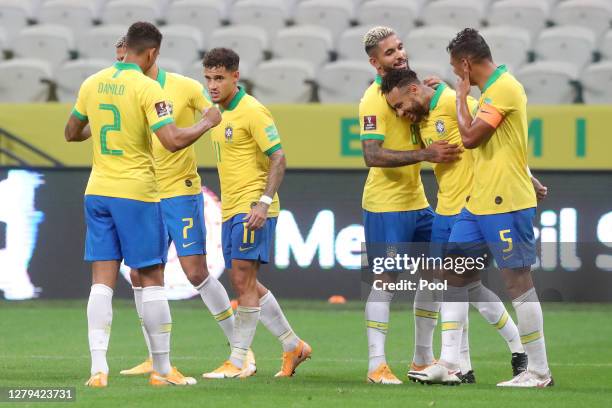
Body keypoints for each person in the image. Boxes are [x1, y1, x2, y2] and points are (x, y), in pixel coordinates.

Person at [64, 21, 221, 387]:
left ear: (127, 48)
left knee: (101, 283)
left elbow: (72, 132)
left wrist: (102, 123)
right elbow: (171, 140)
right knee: (151, 278)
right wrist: (206, 123)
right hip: (136, 193)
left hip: (97, 190)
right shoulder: (148, 88)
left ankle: (97, 369)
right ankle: (163, 370)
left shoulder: (92, 82)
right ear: (151, 53)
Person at [381, 68, 532, 384]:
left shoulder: (451, 101)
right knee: (463, 288)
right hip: (444, 211)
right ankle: (479, 361)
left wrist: (528, 176)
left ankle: (464, 363)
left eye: (399, 105)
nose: (400, 113)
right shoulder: (423, 116)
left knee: (458, 286)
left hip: (472, 209)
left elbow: (497, 137)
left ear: (413, 89)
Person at [109, 37, 247, 377]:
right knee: (140, 274)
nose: (122, 64)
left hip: (179, 191)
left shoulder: (183, 87)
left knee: (196, 271)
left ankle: (241, 352)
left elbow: (215, 113)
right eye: (117, 58)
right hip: (144, 193)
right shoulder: (125, 91)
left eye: (126, 57)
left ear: (148, 55)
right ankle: (154, 357)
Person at [425, 27, 552, 388]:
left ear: (466, 65)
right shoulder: (492, 93)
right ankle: (451, 363)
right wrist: (532, 177)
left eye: (454, 68)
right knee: (454, 273)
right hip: (478, 203)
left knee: (517, 282)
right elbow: (508, 146)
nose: (453, 75)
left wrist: (460, 97)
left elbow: (469, 138)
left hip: (505, 204)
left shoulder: (504, 89)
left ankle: (539, 371)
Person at [200, 48, 311, 379]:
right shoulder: (216, 115)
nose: (213, 85)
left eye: (219, 78)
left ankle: (236, 362)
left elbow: (278, 157)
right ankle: (293, 345)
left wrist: (263, 201)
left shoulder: (253, 111)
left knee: (241, 279)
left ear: (236, 76)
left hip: (252, 206)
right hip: (231, 207)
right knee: (245, 280)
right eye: (208, 78)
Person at [359, 26, 462, 384]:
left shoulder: (411, 86)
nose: (399, 54)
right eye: (389, 53)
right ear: (375, 62)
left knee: (435, 275)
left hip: (417, 200)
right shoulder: (374, 99)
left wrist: (441, 89)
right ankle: (376, 366)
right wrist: (425, 153)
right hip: (386, 204)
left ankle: (421, 358)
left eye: (400, 47)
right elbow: (371, 155)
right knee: (385, 281)